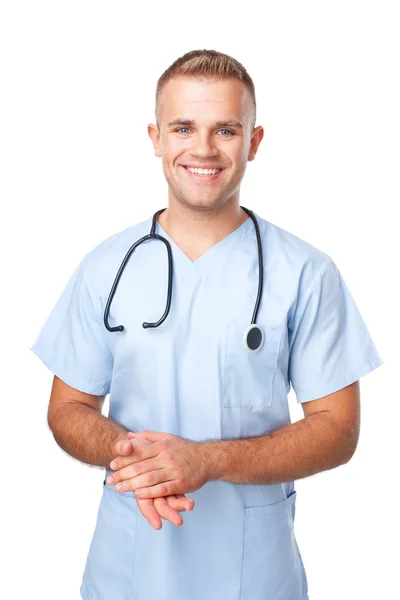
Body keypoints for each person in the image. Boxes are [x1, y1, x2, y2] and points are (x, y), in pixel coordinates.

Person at [31, 49, 383, 600]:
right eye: (183, 128)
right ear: (155, 138)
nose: (203, 148)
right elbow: (66, 411)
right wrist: (141, 461)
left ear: (254, 141)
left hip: (253, 575)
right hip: (128, 569)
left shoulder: (306, 273)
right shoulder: (107, 267)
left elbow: (338, 430)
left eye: (225, 129)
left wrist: (206, 460)